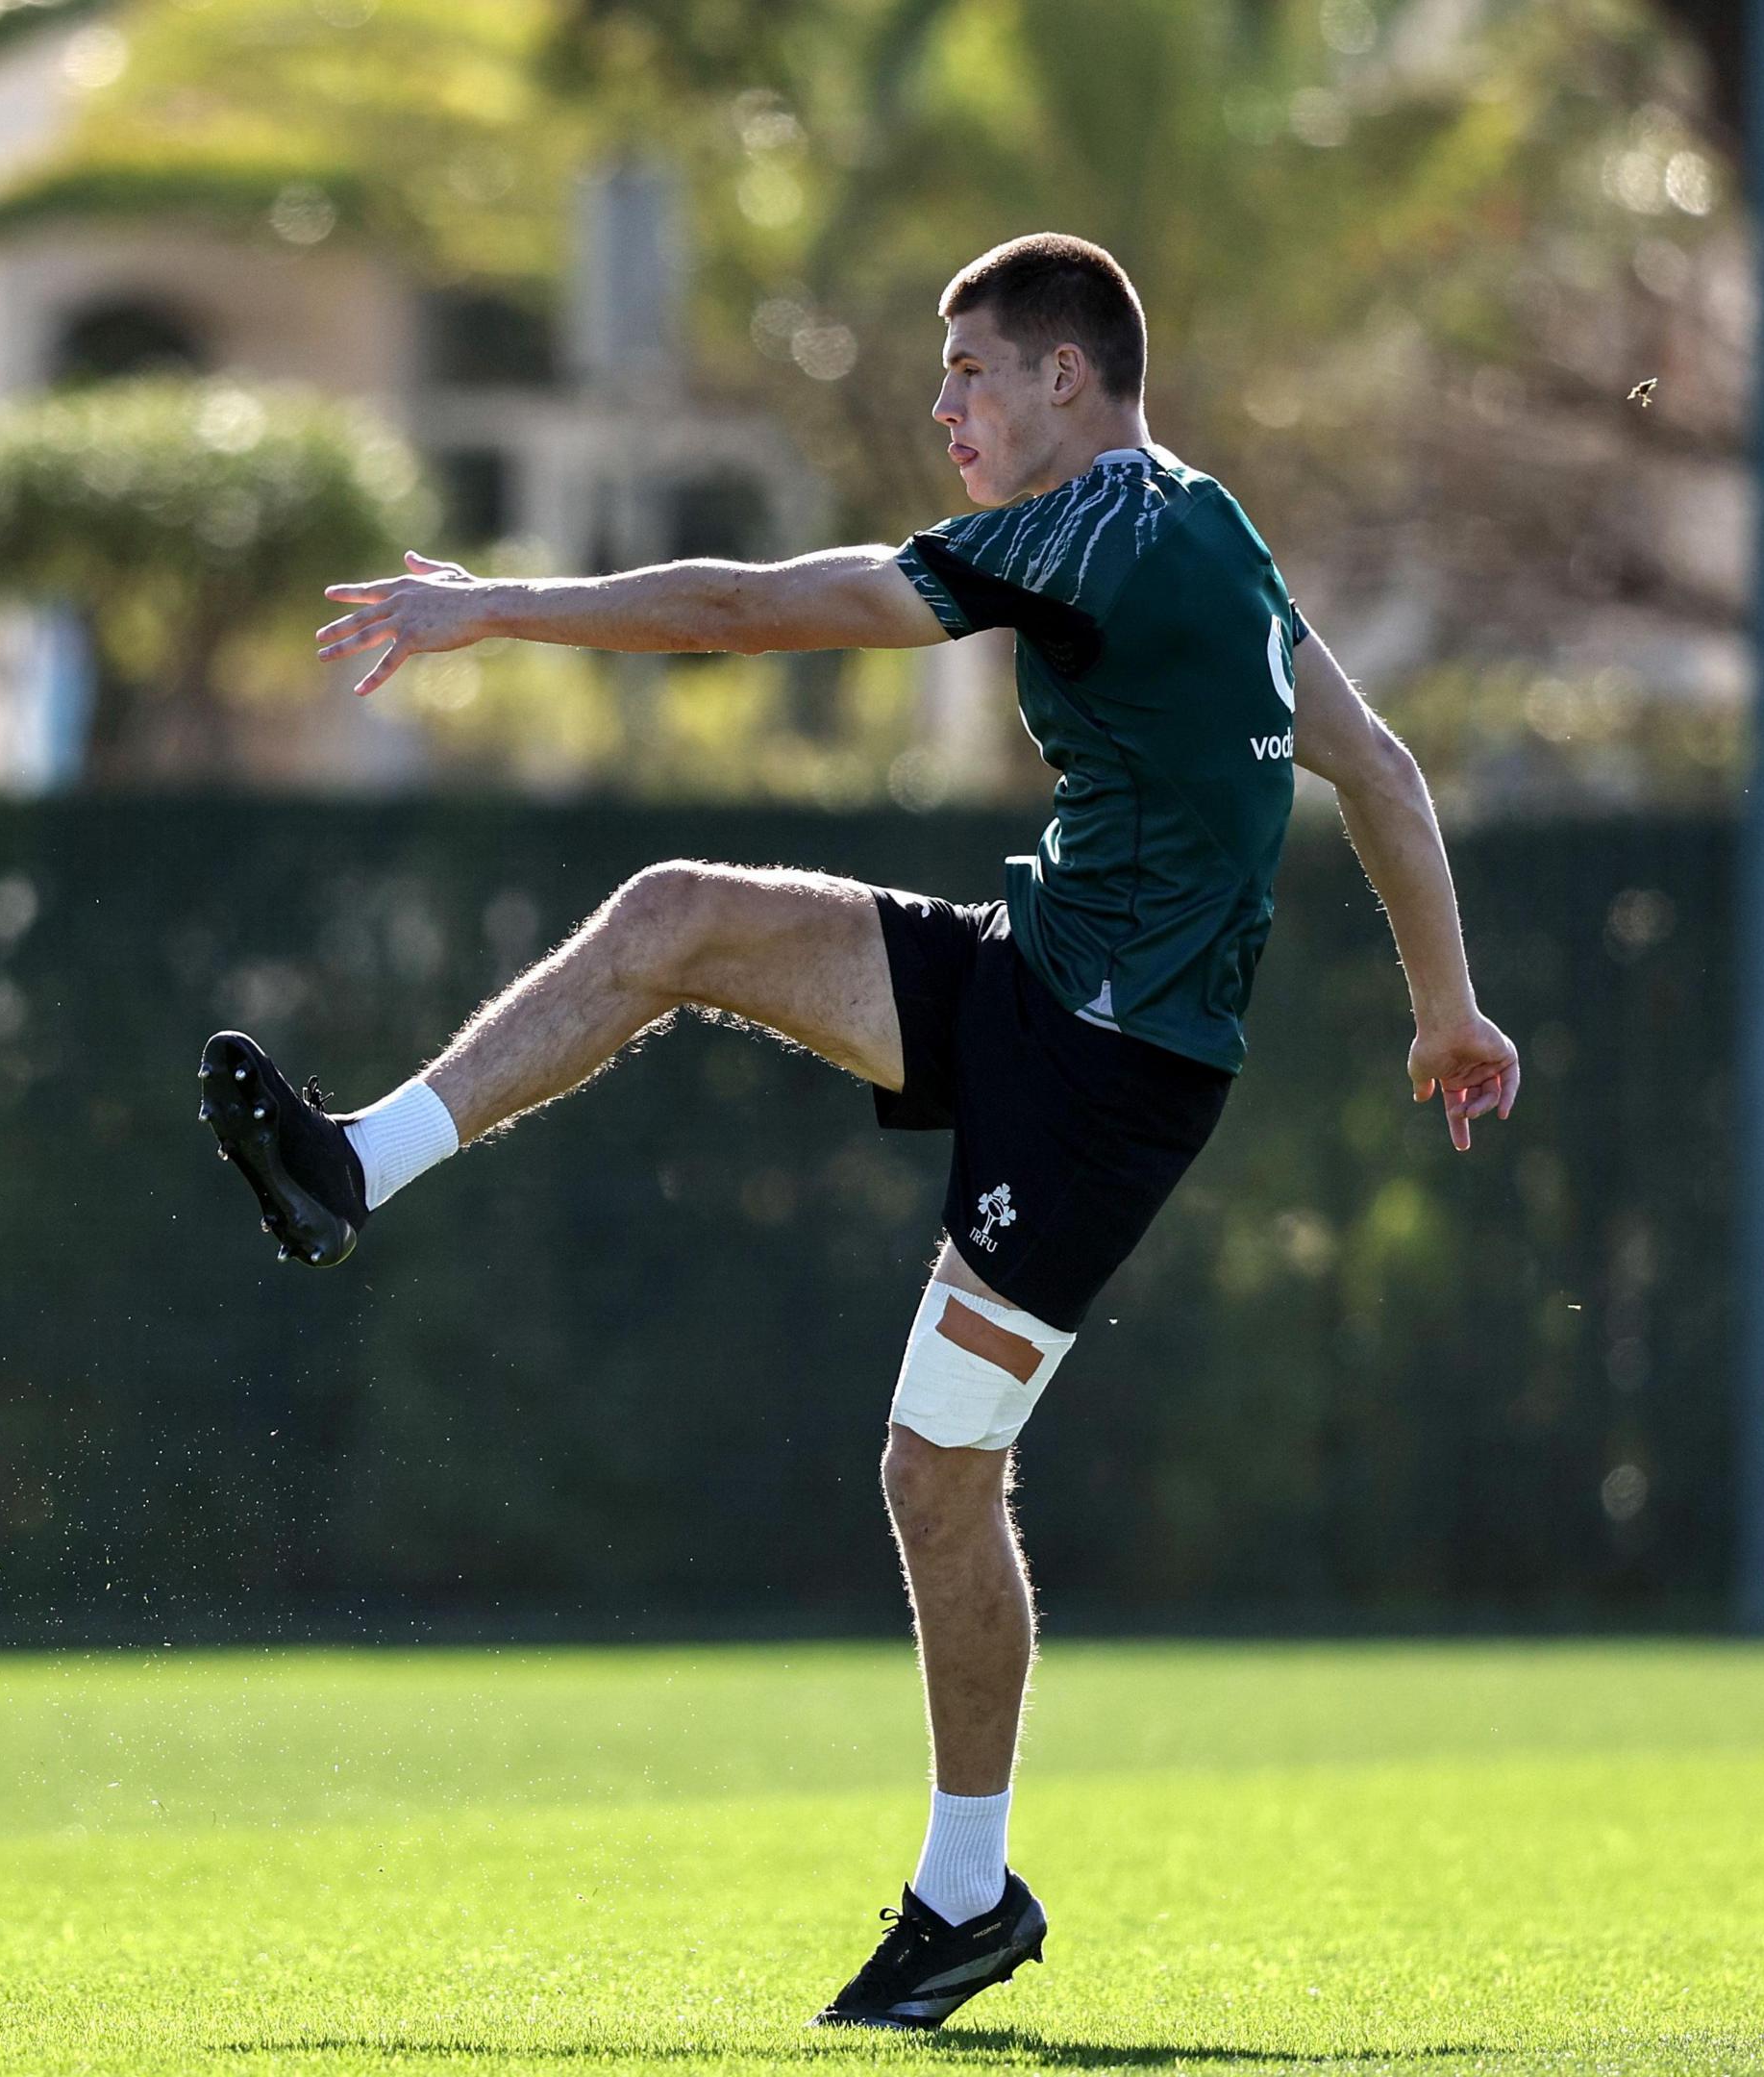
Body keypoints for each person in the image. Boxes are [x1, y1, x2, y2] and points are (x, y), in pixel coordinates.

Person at [199, 233, 1522, 2032]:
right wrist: (1445, 1008)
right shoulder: (1204, 530)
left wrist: (494, 605)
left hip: (1111, 1077)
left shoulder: (1101, 527)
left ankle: (965, 1898)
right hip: (1035, 976)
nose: (943, 406)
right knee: (679, 915)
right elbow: (1375, 767)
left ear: (1070, 375)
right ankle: (356, 1165)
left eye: (972, 370)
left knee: (932, 1476)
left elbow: (750, 613)